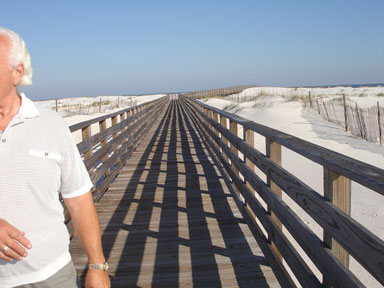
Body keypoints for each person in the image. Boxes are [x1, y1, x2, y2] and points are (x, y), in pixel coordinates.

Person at [0, 27, 110, 288]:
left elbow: (78, 199)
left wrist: (97, 265)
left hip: (51, 276)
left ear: (17, 72)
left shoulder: (50, 124)